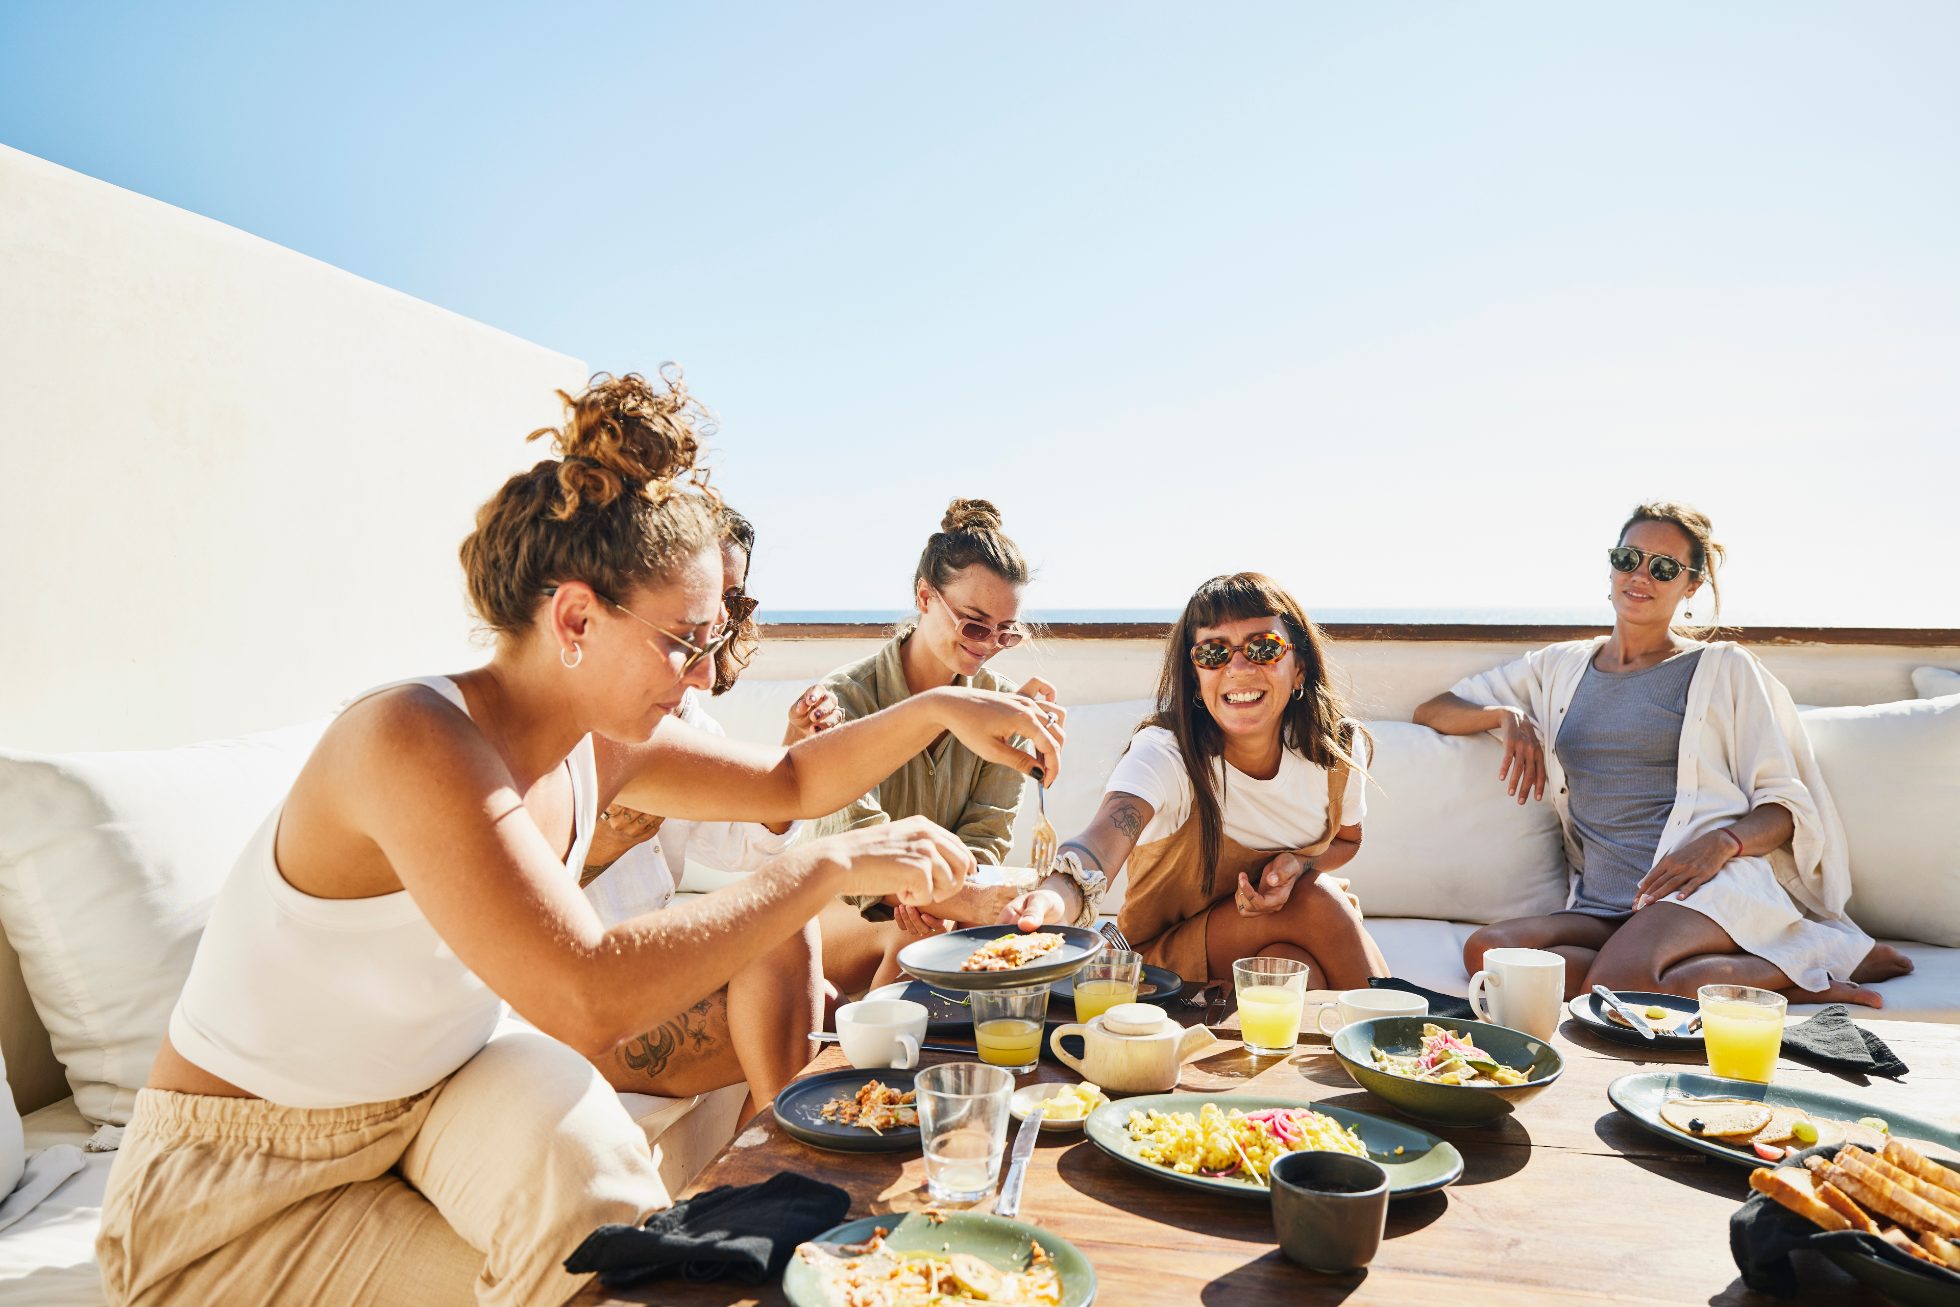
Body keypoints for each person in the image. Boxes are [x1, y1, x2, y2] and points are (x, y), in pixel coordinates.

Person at [96, 371, 1063, 1307]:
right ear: (573, 617)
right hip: (243, 1180)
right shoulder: (410, 740)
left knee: (608, 1197)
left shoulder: (596, 741)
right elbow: (584, 988)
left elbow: (791, 778)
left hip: (428, 1098)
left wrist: (944, 705)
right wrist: (830, 862)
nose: (701, 676)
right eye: (684, 642)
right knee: (588, 1250)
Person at [1412, 501, 1913, 1006]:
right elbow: (1433, 709)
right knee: (1492, 955)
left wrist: (1723, 844)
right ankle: (1723, 962)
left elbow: (1784, 806)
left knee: (1625, 985)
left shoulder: (1723, 669)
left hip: (1702, 888)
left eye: (1665, 567)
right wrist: (1505, 715)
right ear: (1611, 565)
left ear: (1691, 585)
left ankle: (1812, 966)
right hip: (1603, 903)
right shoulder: (1560, 667)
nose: (1641, 576)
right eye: (1629, 558)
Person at [576, 503, 844, 1107]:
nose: (717, 626)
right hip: (571, 1001)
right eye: (695, 615)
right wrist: (608, 843)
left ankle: (750, 1179)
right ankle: (783, 1165)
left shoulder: (684, 718)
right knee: (802, 980)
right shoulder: (574, 724)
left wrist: (792, 752)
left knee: (817, 997)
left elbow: (744, 839)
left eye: (734, 603)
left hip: (641, 973)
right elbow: (517, 925)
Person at [1050, 572, 1389, 989]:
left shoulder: (1333, 749)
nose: (1239, 667)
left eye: (1264, 648)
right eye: (1213, 654)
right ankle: (1411, 1043)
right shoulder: (1166, 753)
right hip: (1166, 962)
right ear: (1196, 676)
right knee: (1314, 899)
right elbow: (1105, 836)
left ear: (1299, 666)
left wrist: (1300, 864)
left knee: (1287, 966)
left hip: (1286, 941)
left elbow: (1347, 841)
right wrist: (1057, 894)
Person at [816, 499, 1101, 995]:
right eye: (973, 624)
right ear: (925, 596)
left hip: (936, 911)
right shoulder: (844, 699)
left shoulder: (1007, 706)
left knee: (948, 937)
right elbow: (855, 854)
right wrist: (956, 901)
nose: (987, 643)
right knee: (917, 941)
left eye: (1005, 632)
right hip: (831, 912)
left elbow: (986, 840)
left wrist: (940, 900)